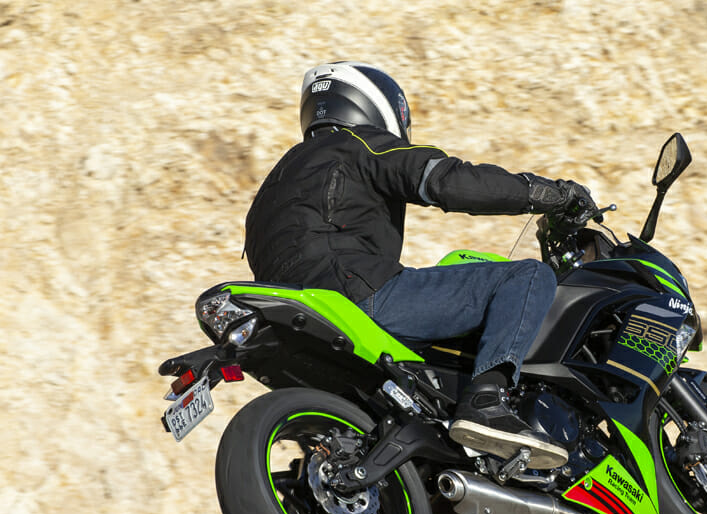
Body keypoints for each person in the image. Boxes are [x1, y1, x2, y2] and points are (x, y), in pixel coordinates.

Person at [243, 61, 599, 469]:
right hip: (358, 292)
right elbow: (449, 181)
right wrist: (548, 194)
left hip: (297, 312)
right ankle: (486, 400)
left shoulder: (276, 181)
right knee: (528, 275)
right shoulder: (362, 144)